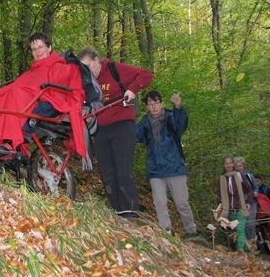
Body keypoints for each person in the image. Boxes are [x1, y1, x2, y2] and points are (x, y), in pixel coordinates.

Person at [0, 32, 87, 159]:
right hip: (32, 100)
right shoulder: (32, 71)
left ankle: (10, 141)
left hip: (51, 103)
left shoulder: (61, 66)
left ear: (49, 47)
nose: (38, 51)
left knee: (16, 95)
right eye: (34, 49)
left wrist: (32, 93)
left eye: (40, 47)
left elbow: (61, 90)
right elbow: (15, 87)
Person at [77, 47, 153, 218]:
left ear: (97, 60)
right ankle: (119, 212)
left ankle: (131, 212)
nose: (87, 71)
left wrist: (132, 90)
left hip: (122, 126)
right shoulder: (86, 80)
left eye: (89, 66)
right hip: (101, 129)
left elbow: (145, 75)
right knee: (107, 173)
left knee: (123, 171)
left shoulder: (113, 68)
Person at [135, 91, 197, 238]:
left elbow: (181, 126)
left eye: (156, 103)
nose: (153, 107)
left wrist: (178, 107)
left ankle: (191, 230)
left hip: (175, 167)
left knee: (181, 202)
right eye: (150, 104)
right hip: (155, 169)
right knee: (159, 201)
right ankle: (166, 230)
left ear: (161, 103)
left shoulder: (170, 117)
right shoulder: (144, 123)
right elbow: (133, 135)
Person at [217, 154, 254, 251]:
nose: (228, 165)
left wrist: (248, 202)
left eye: (230, 163)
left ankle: (240, 252)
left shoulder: (239, 175)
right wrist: (219, 209)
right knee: (236, 231)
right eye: (226, 163)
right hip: (228, 209)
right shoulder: (222, 178)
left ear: (233, 164)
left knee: (240, 230)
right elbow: (219, 195)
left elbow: (250, 190)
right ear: (223, 165)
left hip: (240, 208)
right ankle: (249, 252)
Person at [234, 157, 258, 242]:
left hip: (250, 202)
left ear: (243, 166)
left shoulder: (249, 176)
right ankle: (242, 245)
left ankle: (252, 244)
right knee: (240, 225)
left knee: (250, 224)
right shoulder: (232, 176)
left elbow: (255, 188)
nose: (238, 168)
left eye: (240, 166)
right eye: (236, 166)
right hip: (238, 203)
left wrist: (254, 193)